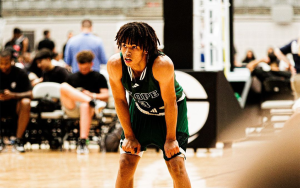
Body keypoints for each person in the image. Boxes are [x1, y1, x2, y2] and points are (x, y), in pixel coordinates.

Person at [107, 22, 191, 188]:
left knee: (176, 166)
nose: (127, 52)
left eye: (133, 47)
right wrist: (129, 136)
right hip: (141, 111)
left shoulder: (161, 64)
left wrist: (171, 139)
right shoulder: (115, 65)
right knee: (125, 163)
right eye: (123, 46)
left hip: (170, 112)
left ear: (145, 48)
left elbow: (170, 102)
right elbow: (120, 100)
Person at [60, 50, 109, 154]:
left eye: (86, 68)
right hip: (73, 106)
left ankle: (82, 142)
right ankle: (92, 102)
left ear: (91, 64)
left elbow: (105, 96)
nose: (83, 70)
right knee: (63, 86)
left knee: (85, 105)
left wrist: (92, 95)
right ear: (78, 64)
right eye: (81, 67)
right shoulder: (72, 77)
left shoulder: (99, 77)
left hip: (89, 110)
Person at [0, 50, 32, 153]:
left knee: (26, 102)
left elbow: (30, 94)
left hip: (15, 106)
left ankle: (19, 140)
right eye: (1, 63)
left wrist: (13, 95)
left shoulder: (20, 73)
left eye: (6, 63)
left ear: (12, 61)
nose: (3, 66)